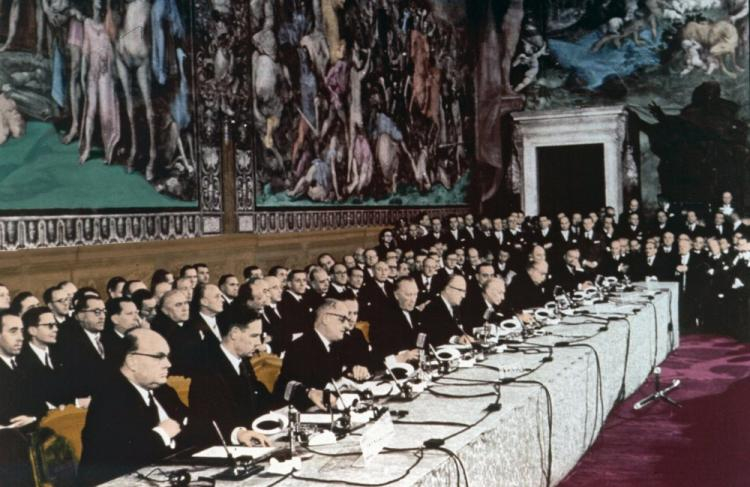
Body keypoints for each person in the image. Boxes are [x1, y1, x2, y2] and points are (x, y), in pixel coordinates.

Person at [77, 329, 191, 486]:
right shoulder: (110, 397)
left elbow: (190, 423)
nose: (168, 364)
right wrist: (162, 434)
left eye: (167, 357)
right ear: (132, 361)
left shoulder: (163, 391)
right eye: (159, 357)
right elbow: (120, 457)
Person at [189, 307, 273, 448]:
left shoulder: (243, 361)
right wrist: (238, 433)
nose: (259, 343)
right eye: (254, 336)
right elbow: (208, 420)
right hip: (223, 446)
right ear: (234, 333)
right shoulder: (208, 367)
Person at [274, 299, 349, 411]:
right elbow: (290, 390)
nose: (347, 325)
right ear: (326, 319)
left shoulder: (334, 345)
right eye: (342, 319)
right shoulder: (300, 347)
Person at [56, 295, 110, 399]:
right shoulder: (69, 343)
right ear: (80, 315)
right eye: (97, 312)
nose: (102, 316)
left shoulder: (107, 338)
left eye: (104, 311)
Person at [369, 277, 421, 366]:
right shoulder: (383, 317)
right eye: (408, 295)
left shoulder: (416, 313)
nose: (413, 299)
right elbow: (379, 353)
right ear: (396, 295)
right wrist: (402, 355)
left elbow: (423, 338)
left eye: (415, 294)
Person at [421, 275, 474, 347]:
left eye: (465, 292)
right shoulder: (432, 308)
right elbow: (434, 337)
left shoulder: (456, 308)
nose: (463, 296)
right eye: (461, 291)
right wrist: (456, 339)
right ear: (448, 289)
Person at [102, 297, 141, 367]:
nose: (137, 318)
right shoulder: (106, 344)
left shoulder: (140, 336)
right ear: (115, 319)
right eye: (129, 314)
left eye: (137, 313)